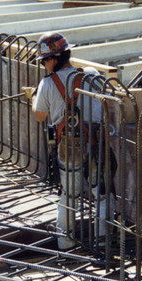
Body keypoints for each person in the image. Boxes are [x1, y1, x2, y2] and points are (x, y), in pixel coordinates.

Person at [32, 32, 116, 250]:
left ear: (53, 59)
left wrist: (33, 97)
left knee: (69, 196)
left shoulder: (48, 84)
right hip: (97, 143)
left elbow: (40, 115)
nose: (45, 65)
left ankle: (66, 244)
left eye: (44, 61)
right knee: (103, 195)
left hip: (70, 148)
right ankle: (103, 243)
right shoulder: (91, 74)